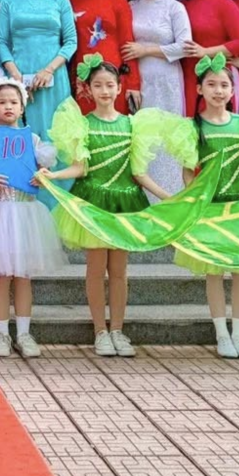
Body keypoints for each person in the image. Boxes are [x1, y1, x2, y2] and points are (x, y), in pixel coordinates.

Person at [48, 57, 190, 357]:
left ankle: (118, 330)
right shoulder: (83, 125)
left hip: (124, 203)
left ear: (119, 88)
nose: (105, 91)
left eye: (110, 85)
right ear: (88, 89)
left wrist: (168, 196)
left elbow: (139, 173)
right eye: (98, 85)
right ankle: (100, 330)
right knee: (95, 269)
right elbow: (80, 168)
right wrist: (54, 176)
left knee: (119, 271)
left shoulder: (132, 125)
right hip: (94, 203)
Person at [173, 54, 239, 360]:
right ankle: (221, 334)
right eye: (211, 84)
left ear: (233, 91)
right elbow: (189, 172)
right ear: (199, 89)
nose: (218, 91)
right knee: (214, 271)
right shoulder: (192, 128)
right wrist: (194, 201)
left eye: (224, 85)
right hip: (210, 208)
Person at [0, 76, 56, 357]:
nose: (8, 107)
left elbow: (45, 170)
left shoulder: (33, 140)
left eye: (13, 102)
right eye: (1, 102)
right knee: (1, 276)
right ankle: (1, 333)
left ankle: (23, 333)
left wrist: (42, 175)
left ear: (22, 107)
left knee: (23, 275)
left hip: (25, 215)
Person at [0, 0, 77, 140]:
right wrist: (17, 77)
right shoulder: (8, 2)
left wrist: (48, 70)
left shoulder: (60, 1)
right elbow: (1, 41)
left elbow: (71, 41)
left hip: (54, 75)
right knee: (22, 135)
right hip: (19, 75)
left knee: (56, 136)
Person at [66, 0, 137, 110]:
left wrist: (134, 84)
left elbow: (128, 44)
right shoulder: (68, 2)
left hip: (114, 75)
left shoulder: (118, 1)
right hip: (81, 76)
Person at [125, 0, 192, 115]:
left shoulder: (175, 7)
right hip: (137, 79)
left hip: (166, 78)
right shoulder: (130, 6)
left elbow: (185, 47)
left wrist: (146, 50)